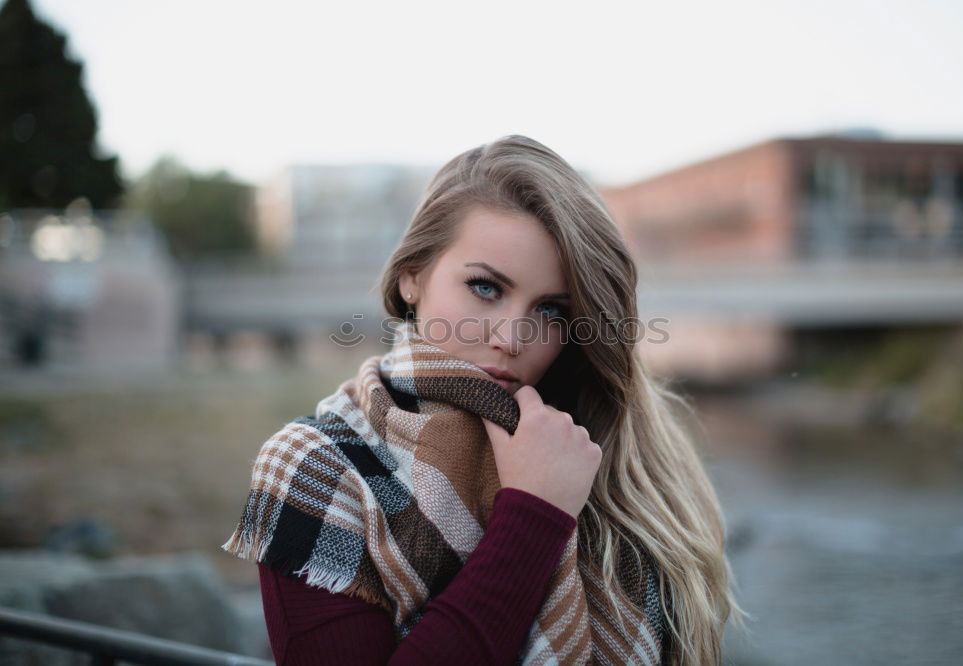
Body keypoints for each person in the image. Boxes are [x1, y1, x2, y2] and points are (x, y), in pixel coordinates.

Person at [225, 135, 747, 665]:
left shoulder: (612, 459)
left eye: (551, 311)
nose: (512, 338)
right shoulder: (316, 465)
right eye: (486, 288)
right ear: (412, 275)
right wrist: (535, 515)